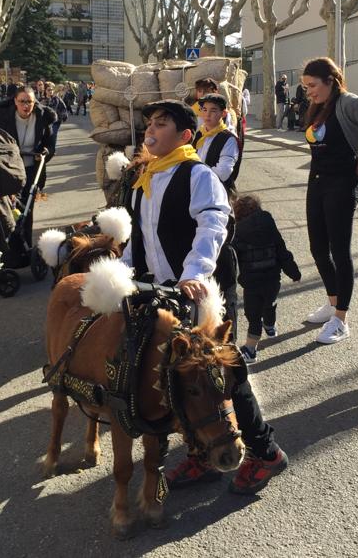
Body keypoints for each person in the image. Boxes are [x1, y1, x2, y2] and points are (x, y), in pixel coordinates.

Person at [121, 99, 288, 495]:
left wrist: (194, 273)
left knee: (226, 376)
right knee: (180, 374)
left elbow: (213, 223)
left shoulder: (198, 174)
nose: (151, 129)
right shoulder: (146, 177)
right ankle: (202, 453)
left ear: (183, 136)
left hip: (204, 288)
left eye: (161, 124)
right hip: (161, 291)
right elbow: (140, 237)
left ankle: (266, 453)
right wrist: (124, 272)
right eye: (149, 123)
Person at [299, 58, 358, 345]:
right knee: (317, 248)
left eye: (312, 85)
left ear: (330, 80)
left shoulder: (350, 103)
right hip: (317, 182)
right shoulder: (317, 106)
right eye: (305, 87)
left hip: (342, 183)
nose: (309, 92)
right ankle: (332, 300)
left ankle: (341, 319)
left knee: (339, 250)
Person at [231, 194, 301, 363]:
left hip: (252, 284)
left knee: (253, 317)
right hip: (272, 280)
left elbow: (233, 259)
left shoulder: (237, 232)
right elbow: (282, 251)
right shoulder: (270, 226)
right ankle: (270, 327)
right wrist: (294, 272)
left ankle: (250, 350)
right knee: (270, 304)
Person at [0, 86, 57, 239]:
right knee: (9, 207)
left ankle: (26, 245)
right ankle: (8, 245)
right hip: (8, 169)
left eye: (30, 102)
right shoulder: (1, 118)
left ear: (35, 102)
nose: (26, 105)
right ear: (15, 101)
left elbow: (50, 143)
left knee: (28, 207)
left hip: (32, 169)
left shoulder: (43, 117)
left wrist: (45, 153)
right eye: (22, 101)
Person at [192, 93, 241, 191]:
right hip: (197, 187)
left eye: (213, 110)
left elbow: (223, 173)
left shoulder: (228, 139)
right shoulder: (199, 134)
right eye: (204, 110)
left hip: (218, 191)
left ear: (223, 113)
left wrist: (194, 174)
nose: (207, 114)